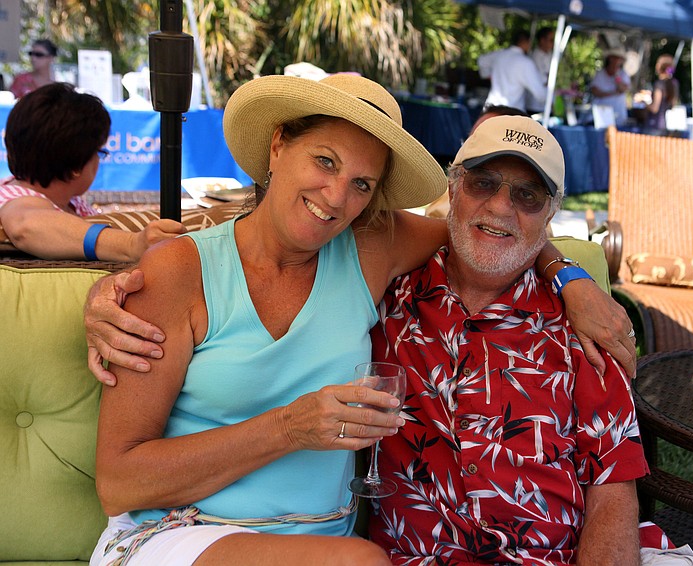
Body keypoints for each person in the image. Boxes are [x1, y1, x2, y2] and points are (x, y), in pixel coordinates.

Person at [86, 74, 636, 566]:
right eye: (324, 161)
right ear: (278, 145)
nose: (335, 197)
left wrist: (569, 276)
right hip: (185, 532)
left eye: (362, 185)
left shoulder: (369, 250)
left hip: (322, 540)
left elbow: (494, 231)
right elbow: (118, 482)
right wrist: (289, 428)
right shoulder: (182, 271)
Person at [371, 115, 646, 564]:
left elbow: (613, 492)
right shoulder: (387, 297)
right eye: (483, 183)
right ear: (453, 186)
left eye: (527, 195)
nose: (500, 207)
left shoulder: (584, 328)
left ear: (551, 212)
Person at [0, 82, 185, 261]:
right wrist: (131, 244)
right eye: (100, 152)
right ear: (75, 166)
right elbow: (26, 225)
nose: (99, 160)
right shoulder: (16, 200)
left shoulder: (64, 200)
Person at [424, 105, 528, 220]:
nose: (470, 149)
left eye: (486, 142)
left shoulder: (531, 221)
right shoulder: (450, 188)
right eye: (471, 140)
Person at [478, 31, 547, 113]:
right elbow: (540, 94)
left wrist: (486, 74)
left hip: (491, 109)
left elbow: (481, 61)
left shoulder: (499, 55)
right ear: (526, 42)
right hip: (511, 112)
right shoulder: (525, 63)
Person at [590, 48, 631, 125]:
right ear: (609, 58)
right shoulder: (600, 74)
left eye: (619, 58)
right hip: (601, 116)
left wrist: (616, 76)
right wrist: (613, 93)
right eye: (614, 58)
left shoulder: (623, 74)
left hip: (619, 116)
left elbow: (623, 89)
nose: (616, 61)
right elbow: (595, 91)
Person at [644, 54, 679, 132]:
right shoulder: (674, 83)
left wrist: (644, 102)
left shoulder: (659, 84)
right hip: (666, 126)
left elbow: (655, 108)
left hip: (655, 125)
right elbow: (672, 104)